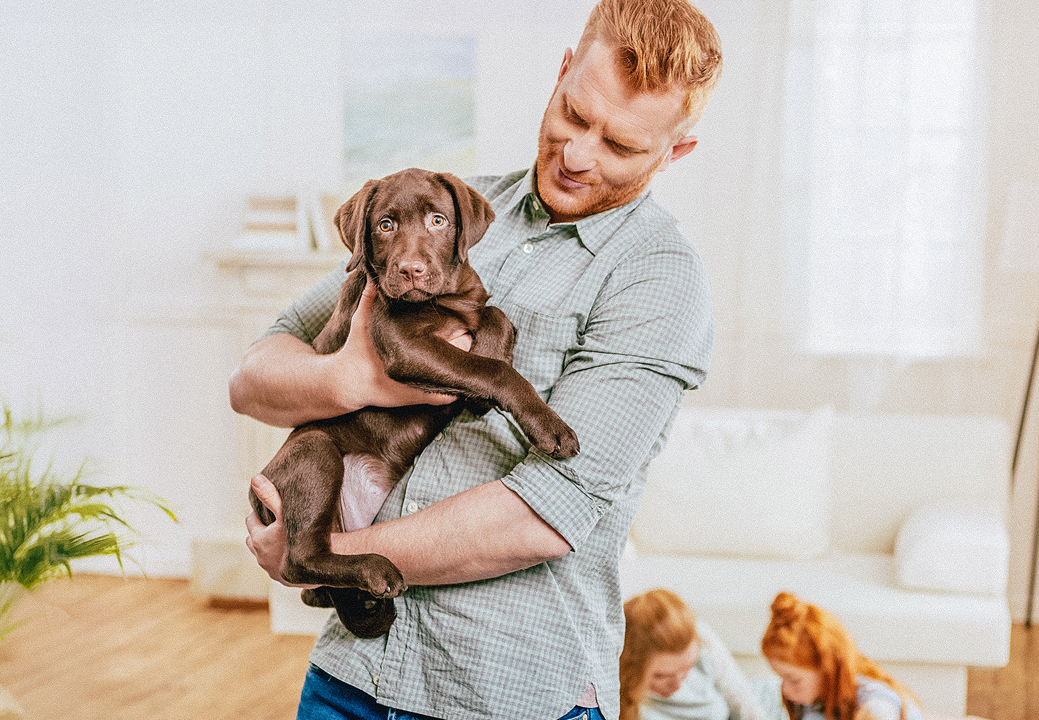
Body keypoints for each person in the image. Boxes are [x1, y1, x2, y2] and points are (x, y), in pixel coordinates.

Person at [231, 1, 722, 718]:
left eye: (619, 144)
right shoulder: (454, 207)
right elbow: (255, 373)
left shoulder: (659, 279)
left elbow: (547, 513)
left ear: (675, 151)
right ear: (560, 73)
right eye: (575, 115)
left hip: (508, 690)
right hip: (355, 674)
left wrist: (328, 549)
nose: (579, 154)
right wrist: (346, 378)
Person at [756, 593, 924, 720]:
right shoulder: (811, 700)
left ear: (827, 669)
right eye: (782, 678)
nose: (784, 689)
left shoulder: (877, 707)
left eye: (793, 680)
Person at [621, 589, 767, 720]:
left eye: (687, 669)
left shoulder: (702, 638)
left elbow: (745, 702)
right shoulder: (618, 695)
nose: (677, 684)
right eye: (661, 676)